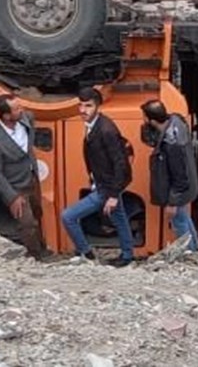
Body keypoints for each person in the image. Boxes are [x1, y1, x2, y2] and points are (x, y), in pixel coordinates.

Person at [60, 87, 134, 266]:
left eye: (88, 106)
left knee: (68, 216)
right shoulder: (96, 125)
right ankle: (127, 255)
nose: (83, 110)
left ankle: (86, 253)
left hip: (106, 186)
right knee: (120, 219)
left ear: (98, 106)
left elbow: (120, 162)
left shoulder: (106, 130)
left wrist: (113, 194)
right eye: (80, 105)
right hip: (105, 184)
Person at [0, 93, 49, 259]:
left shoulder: (27, 119)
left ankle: (43, 248)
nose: (23, 110)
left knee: (37, 214)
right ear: (6, 116)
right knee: (27, 224)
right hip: (15, 187)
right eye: (17, 109)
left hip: (32, 179)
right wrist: (12, 197)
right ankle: (36, 257)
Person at [141, 99, 198, 251]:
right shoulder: (177, 123)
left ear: (151, 120)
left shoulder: (171, 144)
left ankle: (190, 254)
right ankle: (196, 248)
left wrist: (172, 202)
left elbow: (179, 175)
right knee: (185, 217)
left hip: (179, 190)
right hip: (188, 186)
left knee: (179, 221)